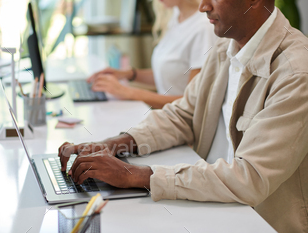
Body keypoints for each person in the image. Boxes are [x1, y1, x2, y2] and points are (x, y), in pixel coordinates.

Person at [58, 0, 308, 232]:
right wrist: (114, 145)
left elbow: (249, 177)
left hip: (259, 222)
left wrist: (134, 175)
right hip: (212, 204)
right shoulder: (225, 47)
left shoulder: (297, 73)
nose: (203, 6)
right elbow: (183, 114)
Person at [87, 0, 216, 109]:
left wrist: (129, 93)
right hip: (167, 116)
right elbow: (172, 75)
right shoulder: (176, 15)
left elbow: (191, 102)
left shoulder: (204, 28)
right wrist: (129, 74)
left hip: (183, 125)